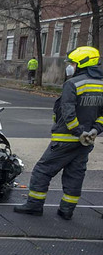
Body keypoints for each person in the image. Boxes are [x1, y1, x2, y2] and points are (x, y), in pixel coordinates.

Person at [14, 46, 103, 220]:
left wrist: (78, 132)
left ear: (82, 64)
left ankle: (34, 205)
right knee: (75, 174)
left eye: (72, 63)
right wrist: (94, 131)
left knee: (42, 170)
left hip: (65, 139)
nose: (69, 66)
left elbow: (68, 112)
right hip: (86, 142)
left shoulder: (73, 84)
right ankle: (66, 210)